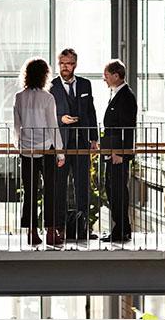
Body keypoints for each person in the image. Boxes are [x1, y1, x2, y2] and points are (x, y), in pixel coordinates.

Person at [14, 57, 66, 247]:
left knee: (30, 192)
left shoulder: (19, 97)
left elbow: (16, 126)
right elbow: (53, 127)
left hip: (27, 149)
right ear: (45, 75)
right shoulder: (48, 98)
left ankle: (32, 232)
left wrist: (19, 146)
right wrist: (60, 153)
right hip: (47, 149)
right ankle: (51, 232)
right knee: (50, 190)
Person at [49, 48, 99, 241]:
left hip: (81, 143)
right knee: (59, 186)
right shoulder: (52, 86)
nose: (65, 67)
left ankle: (83, 228)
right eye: (62, 63)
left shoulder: (86, 84)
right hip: (61, 144)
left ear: (75, 64)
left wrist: (93, 138)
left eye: (68, 63)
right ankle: (60, 228)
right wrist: (62, 119)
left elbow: (91, 111)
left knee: (82, 186)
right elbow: (49, 115)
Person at [100, 59, 136, 243]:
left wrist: (121, 153)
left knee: (117, 191)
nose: (103, 79)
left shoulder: (126, 97)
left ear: (116, 75)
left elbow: (127, 127)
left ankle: (121, 229)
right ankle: (122, 228)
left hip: (118, 154)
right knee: (112, 188)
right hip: (112, 152)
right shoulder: (117, 95)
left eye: (106, 75)